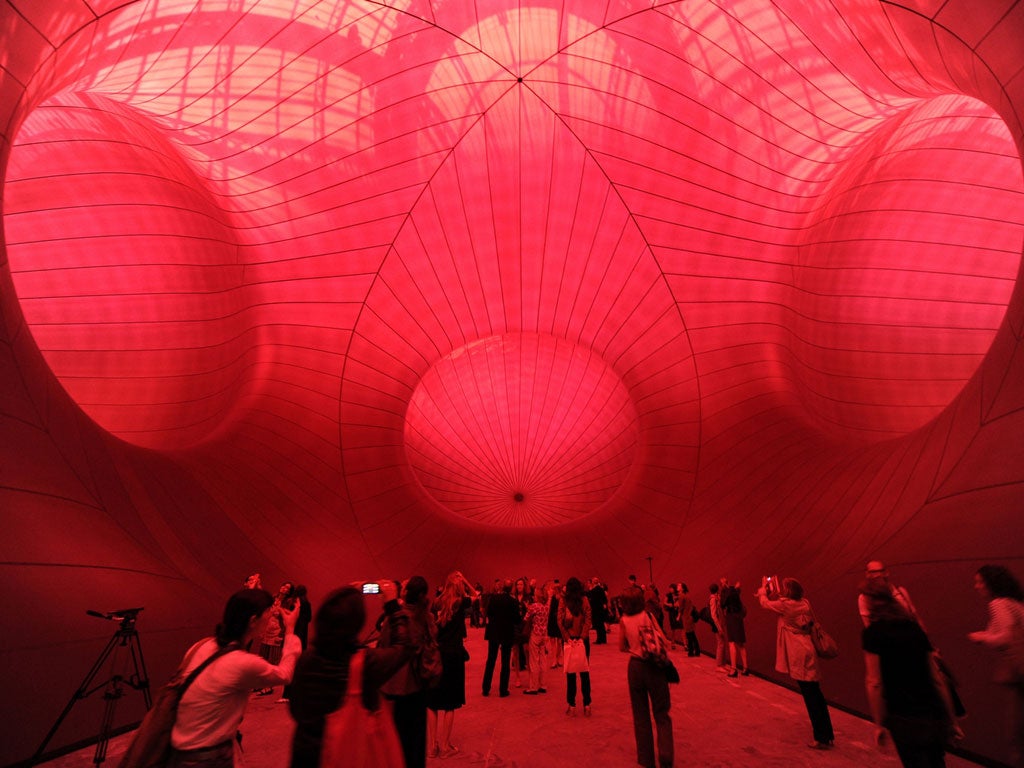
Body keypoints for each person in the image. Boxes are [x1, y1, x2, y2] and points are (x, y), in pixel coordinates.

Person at [168, 588, 300, 768]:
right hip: (209, 757)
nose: (270, 618)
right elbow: (285, 674)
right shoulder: (242, 663)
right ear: (253, 621)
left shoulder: (200, 646)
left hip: (179, 751)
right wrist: (290, 630)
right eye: (268, 614)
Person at [288, 582, 412, 768]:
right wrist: (392, 605)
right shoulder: (364, 663)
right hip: (349, 754)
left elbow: (295, 708)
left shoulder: (306, 659)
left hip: (306, 753)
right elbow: (403, 647)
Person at [862, 583, 953, 767]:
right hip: (934, 713)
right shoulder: (914, 629)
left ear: (870, 604)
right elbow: (937, 679)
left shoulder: (873, 633)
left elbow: (874, 682)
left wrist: (879, 723)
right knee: (937, 763)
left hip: (904, 715)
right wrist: (951, 719)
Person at [758, 577, 835, 750]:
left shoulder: (785, 605)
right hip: (809, 649)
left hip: (798, 652)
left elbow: (764, 603)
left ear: (788, 592)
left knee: (810, 697)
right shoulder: (804, 603)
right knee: (817, 694)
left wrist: (763, 589)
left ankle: (820, 737)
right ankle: (827, 734)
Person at [968, 564, 1024, 766]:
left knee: (1016, 736)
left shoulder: (998, 604)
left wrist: (981, 638)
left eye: (980, 581)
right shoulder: (1015, 603)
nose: (976, 586)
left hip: (1018, 676)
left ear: (992, 583)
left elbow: (1006, 638)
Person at [379, 575, 435, 768]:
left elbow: (383, 647)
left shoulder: (397, 619)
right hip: (419, 685)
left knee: (397, 743)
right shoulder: (427, 617)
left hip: (397, 687)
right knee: (416, 742)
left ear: (407, 593)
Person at [619, 586, 674, 768]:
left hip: (635, 667)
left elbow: (621, 646)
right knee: (661, 713)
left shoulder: (624, 620)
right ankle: (665, 755)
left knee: (640, 716)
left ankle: (646, 760)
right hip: (654, 666)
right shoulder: (647, 616)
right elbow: (662, 639)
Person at [427, 571, 476, 758]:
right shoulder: (460, 602)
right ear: (458, 585)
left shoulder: (436, 602)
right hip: (454, 655)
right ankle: (445, 745)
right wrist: (465, 579)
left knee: (432, 702)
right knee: (449, 703)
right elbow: (476, 596)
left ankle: (432, 745)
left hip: (437, 654)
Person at [559, 576, 593, 716]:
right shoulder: (584, 600)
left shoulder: (563, 601)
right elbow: (588, 619)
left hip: (568, 641)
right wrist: (582, 638)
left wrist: (568, 638)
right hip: (582, 641)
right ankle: (587, 705)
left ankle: (571, 705)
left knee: (570, 674)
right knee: (585, 672)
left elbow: (559, 622)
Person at [482, 579, 519, 697]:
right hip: (507, 633)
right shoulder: (513, 601)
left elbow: (489, 613)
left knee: (491, 660)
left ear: (502, 588)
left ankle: (486, 688)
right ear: (511, 588)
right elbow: (517, 619)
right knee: (505, 662)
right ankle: (503, 690)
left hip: (493, 632)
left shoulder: (493, 599)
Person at [858, 560, 920, 628]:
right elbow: (868, 625)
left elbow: (914, 614)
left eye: (881, 571)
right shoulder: (865, 598)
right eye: (873, 572)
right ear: (867, 574)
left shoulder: (900, 591)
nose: (878, 575)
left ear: (886, 572)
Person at [523, 582, 550, 695]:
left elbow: (526, 617)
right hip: (543, 635)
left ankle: (533, 687)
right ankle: (543, 685)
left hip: (535, 634)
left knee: (533, 661)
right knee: (543, 660)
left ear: (537, 596)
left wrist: (527, 607)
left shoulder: (534, 606)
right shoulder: (546, 607)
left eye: (535, 594)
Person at [721, 580, 748, 676]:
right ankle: (745, 668)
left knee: (731, 643)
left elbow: (722, 603)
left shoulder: (728, 594)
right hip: (738, 618)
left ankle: (733, 668)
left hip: (731, 618)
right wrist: (731, 587)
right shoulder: (736, 594)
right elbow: (734, 592)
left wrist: (724, 587)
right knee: (741, 643)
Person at [709, 582, 728, 670]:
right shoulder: (713, 600)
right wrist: (719, 628)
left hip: (720, 623)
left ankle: (723, 663)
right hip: (717, 625)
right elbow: (713, 615)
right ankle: (719, 665)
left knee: (723, 643)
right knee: (720, 644)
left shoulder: (717, 598)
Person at [546, 580, 564, 668]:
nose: (554, 590)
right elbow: (548, 610)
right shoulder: (551, 598)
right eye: (553, 588)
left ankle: (558, 658)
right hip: (552, 620)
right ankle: (554, 660)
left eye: (556, 588)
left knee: (560, 641)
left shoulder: (562, 598)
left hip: (559, 620)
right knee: (552, 641)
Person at [679, 584, 700, 657]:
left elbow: (681, 608)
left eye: (679, 586)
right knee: (692, 634)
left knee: (688, 635)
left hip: (686, 617)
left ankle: (691, 651)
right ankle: (697, 651)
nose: (677, 587)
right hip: (691, 616)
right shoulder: (688, 595)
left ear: (682, 588)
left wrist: (678, 616)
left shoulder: (681, 596)